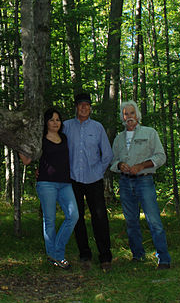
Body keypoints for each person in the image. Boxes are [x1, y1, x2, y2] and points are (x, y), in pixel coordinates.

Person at [111, 100, 171, 269]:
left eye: (131, 113)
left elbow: (161, 157)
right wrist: (120, 165)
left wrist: (142, 166)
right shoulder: (118, 138)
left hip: (144, 181)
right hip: (124, 183)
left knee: (154, 221)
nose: (128, 117)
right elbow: (113, 161)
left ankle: (164, 258)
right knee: (131, 221)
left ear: (137, 115)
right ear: (122, 117)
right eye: (125, 114)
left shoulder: (150, 133)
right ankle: (138, 255)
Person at [20, 108, 79, 270]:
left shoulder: (65, 138)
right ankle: (56, 256)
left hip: (65, 183)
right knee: (50, 221)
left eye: (58, 119)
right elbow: (26, 160)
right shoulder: (40, 140)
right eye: (52, 120)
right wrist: (18, 144)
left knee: (73, 215)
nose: (55, 122)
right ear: (46, 122)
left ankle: (56, 252)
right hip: (46, 184)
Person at [62, 93, 113, 271]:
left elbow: (107, 154)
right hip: (73, 180)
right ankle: (85, 255)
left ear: (91, 107)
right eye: (81, 105)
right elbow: (57, 149)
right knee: (77, 218)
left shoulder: (97, 128)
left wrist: (98, 171)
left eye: (87, 105)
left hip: (94, 180)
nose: (84, 108)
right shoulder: (66, 126)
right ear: (76, 107)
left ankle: (105, 257)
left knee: (100, 218)